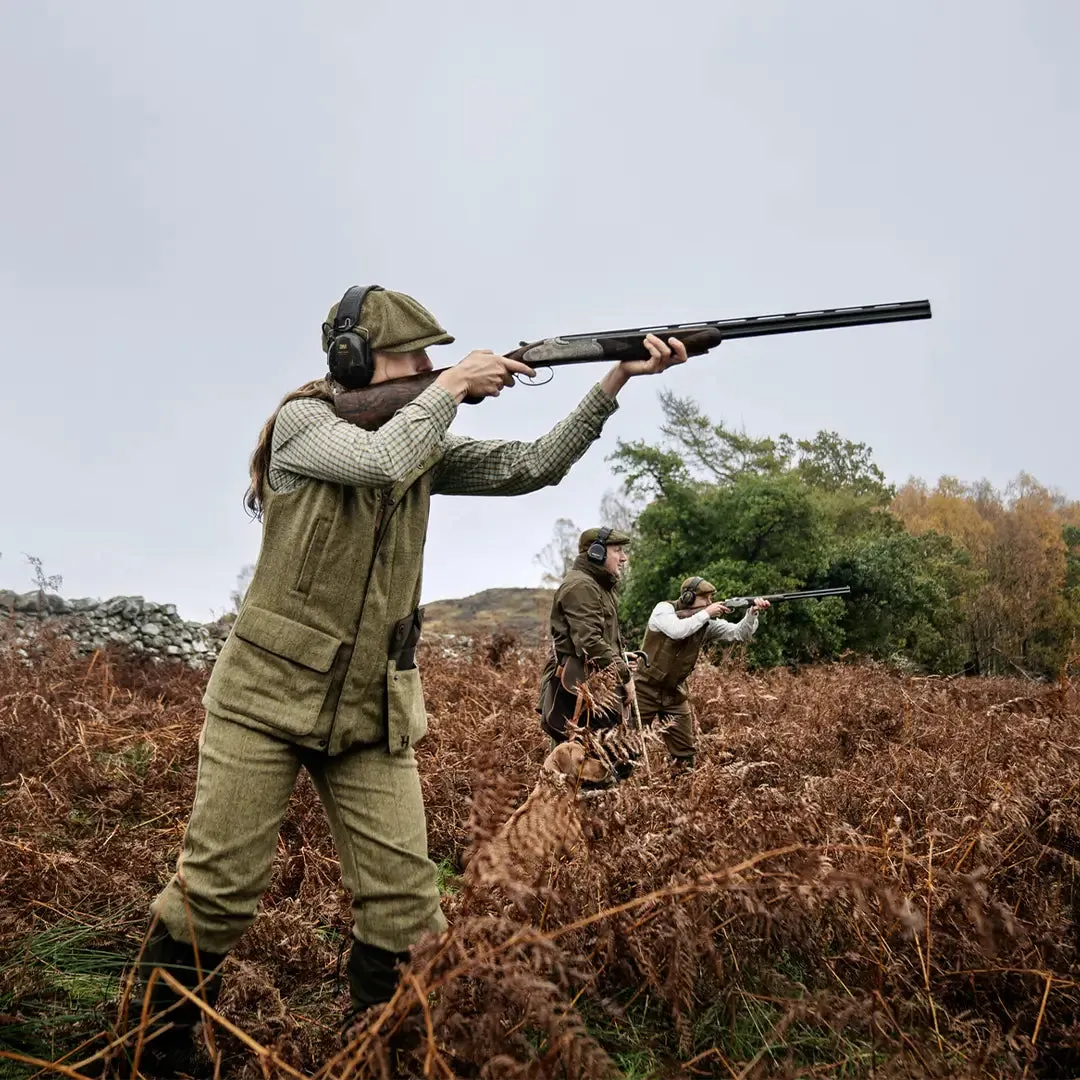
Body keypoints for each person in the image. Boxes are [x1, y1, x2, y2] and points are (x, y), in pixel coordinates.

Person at [133, 284, 689, 1073]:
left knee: (407, 912)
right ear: (355, 362)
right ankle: (148, 1048)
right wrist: (453, 386)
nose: (429, 367)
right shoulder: (305, 426)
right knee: (218, 891)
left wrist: (613, 382)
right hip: (262, 700)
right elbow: (376, 460)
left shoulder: (419, 435)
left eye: (436, 358)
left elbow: (533, 466)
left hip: (371, 711)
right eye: (415, 357)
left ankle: (378, 1055)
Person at [539, 527, 642, 782]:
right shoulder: (581, 586)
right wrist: (624, 675)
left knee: (604, 766)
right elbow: (589, 643)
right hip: (579, 695)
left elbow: (596, 641)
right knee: (585, 773)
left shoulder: (596, 585)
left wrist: (621, 656)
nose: (624, 557)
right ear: (596, 553)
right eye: (617, 550)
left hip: (592, 691)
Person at [635, 576, 769, 770]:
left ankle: (682, 793)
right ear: (688, 598)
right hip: (644, 689)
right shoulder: (663, 610)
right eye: (704, 598)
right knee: (625, 746)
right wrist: (706, 613)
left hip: (674, 693)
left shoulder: (705, 623)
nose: (709, 603)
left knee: (685, 753)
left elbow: (739, 633)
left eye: (711, 599)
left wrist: (752, 613)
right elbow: (677, 631)